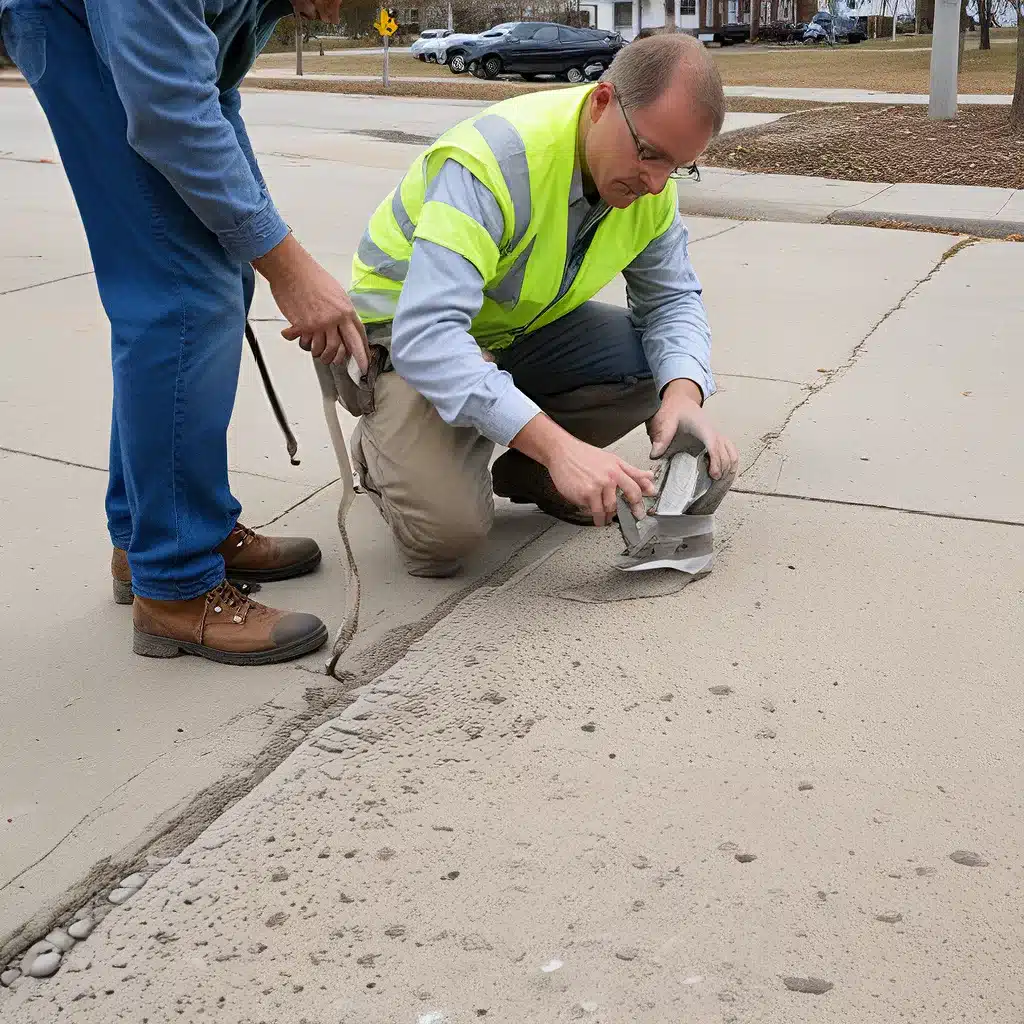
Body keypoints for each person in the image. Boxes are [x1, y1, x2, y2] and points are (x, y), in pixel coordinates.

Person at [0, 0, 373, 664]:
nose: (340, 9)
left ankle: (147, 535)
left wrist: (262, 244)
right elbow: (168, 108)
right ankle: (174, 587)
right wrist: (290, 267)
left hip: (142, 54)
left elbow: (211, 91)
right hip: (73, 28)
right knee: (182, 301)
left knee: (224, 277)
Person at [339, 32, 740, 579]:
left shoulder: (651, 186)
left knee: (662, 365)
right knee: (444, 538)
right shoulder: (494, 161)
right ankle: (385, 443)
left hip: (515, 332)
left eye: (679, 166)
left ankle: (531, 473)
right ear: (601, 103)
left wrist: (684, 396)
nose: (656, 182)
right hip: (403, 336)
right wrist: (561, 446)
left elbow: (671, 301)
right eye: (649, 153)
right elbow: (429, 336)